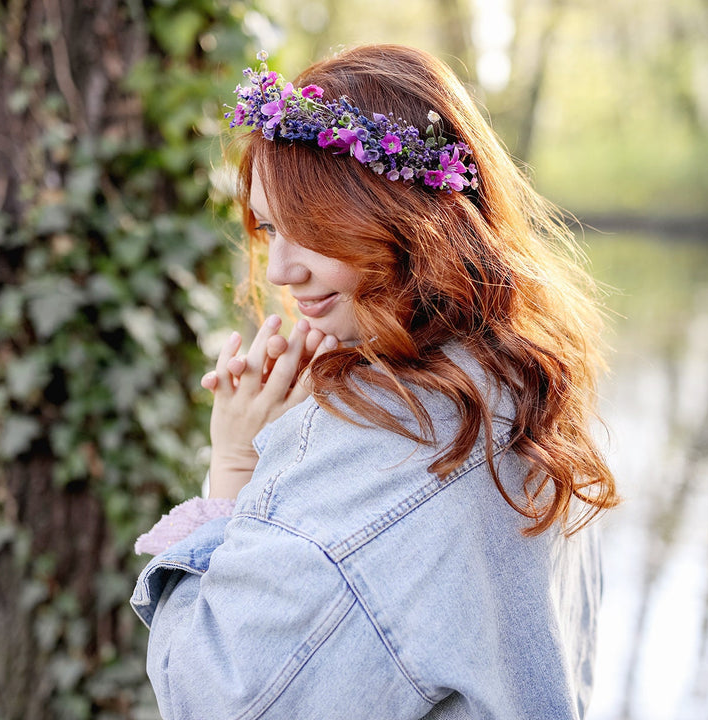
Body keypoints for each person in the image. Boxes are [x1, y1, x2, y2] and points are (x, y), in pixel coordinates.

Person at [130, 44, 618, 720]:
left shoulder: (384, 437)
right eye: (270, 228)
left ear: (403, 222)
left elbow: (211, 696)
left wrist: (235, 470)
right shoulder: (522, 380)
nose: (279, 270)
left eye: (313, 230)